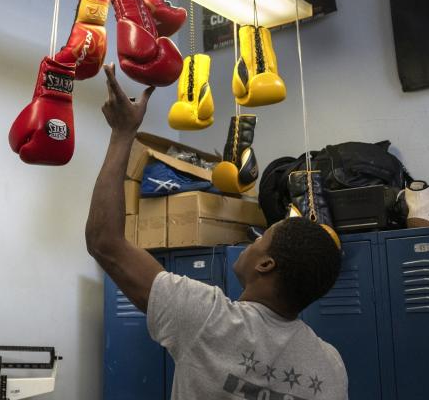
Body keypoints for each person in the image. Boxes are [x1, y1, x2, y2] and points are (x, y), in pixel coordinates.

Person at [85, 64, 348, 400]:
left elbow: (104, 242)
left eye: (260, 239)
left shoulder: (208, 319)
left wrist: (123, 133)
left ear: (265, 265)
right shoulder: (330, 366)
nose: (252, 242)